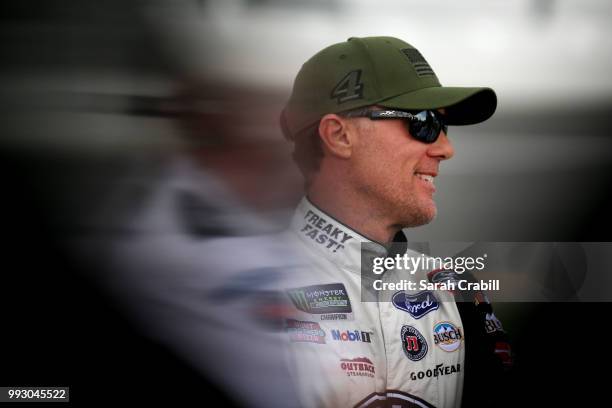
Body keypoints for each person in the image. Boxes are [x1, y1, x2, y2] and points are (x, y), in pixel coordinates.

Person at [279, 36, 510, 408]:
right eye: (422, 122)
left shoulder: (457, 293)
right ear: (339, 136)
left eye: (443, 126)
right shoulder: (237, 288)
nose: (445, 149)